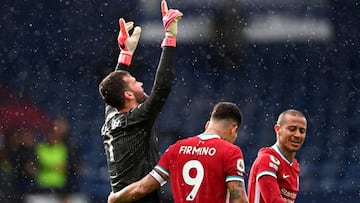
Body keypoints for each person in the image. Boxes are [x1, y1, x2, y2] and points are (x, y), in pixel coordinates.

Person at [98, 1, 183, 202]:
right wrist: (170, 38)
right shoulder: (136, 119)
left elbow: (115, 83)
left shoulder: (113, 115)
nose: (141, 83)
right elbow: (162, 89)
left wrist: (125, 54)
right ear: (128, 95)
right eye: (135, 82)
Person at [107, 102, 249, 203]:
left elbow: (142, 188)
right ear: (233, 129)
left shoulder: (177, 148)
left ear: (208, 125)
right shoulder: (231, 152)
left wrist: (116, 197)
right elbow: (239, 198)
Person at [247, 109, 307, 203]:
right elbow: (273, 200)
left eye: (302, 131)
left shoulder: (294, 166)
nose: (297, 135)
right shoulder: (267, 160)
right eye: (292, 129)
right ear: (278, 129)